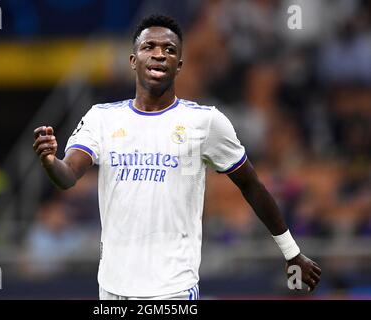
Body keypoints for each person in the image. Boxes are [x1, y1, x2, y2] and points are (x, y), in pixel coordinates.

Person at [32, 14, 321, 300]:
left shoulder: (205, 122)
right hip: (112, 289)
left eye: (169, 50)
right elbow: (67, 176)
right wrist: (49, 161)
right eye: (149, 47)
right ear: (133, 60)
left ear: (179, 66)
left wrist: (291, 252)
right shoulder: (101, 118)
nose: (159, 55)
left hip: (173, 290)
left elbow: (251, 185)